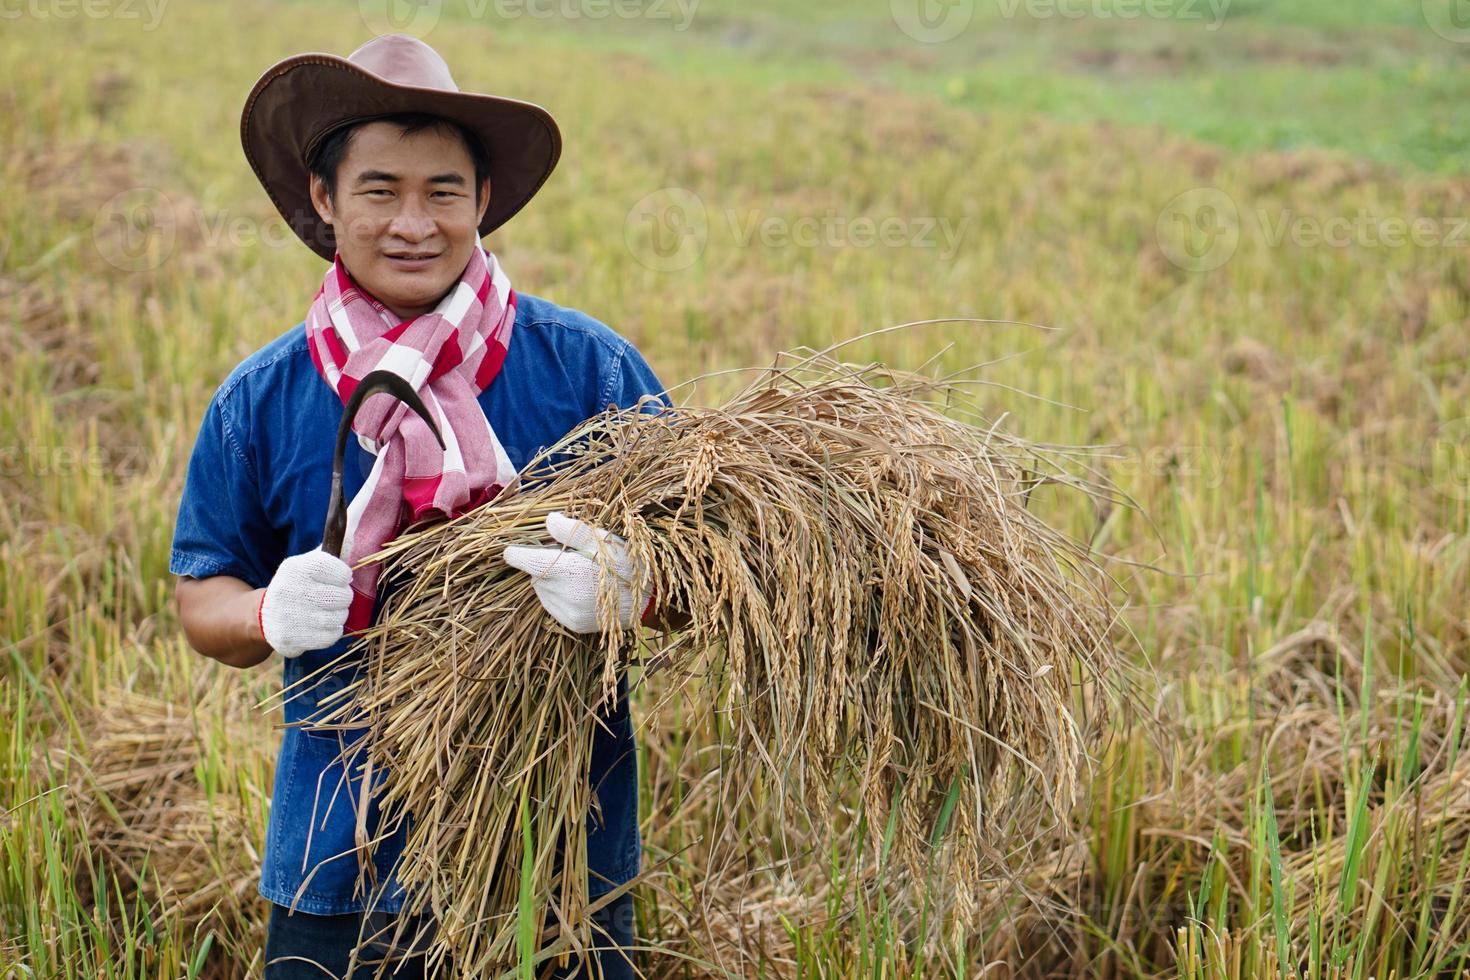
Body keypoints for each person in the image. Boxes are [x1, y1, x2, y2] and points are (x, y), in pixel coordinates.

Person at [169, 34, 671, 979]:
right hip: (338, 865)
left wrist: (635, 587)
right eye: (379, 190)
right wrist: (265, 613)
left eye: (444, 191)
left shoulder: (590, 372)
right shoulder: (264, 397)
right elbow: (204, 597)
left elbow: (720, 577)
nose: (414, 223)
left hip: (560, 862)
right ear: (324, 201)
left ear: (483, 200)